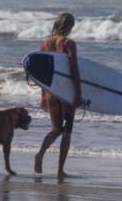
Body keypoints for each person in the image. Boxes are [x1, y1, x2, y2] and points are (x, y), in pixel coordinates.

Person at [34, 11, 82, 180]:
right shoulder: (68, 43)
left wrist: (42, 95)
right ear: (69, 27)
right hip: (66, 92)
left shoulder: (45, 43)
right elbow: (74, 69)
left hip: (51, 92)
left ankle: (40, 154)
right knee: (66, 132)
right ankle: (60, 170)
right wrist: (78, 93)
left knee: (55, 130)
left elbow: (40, 72)